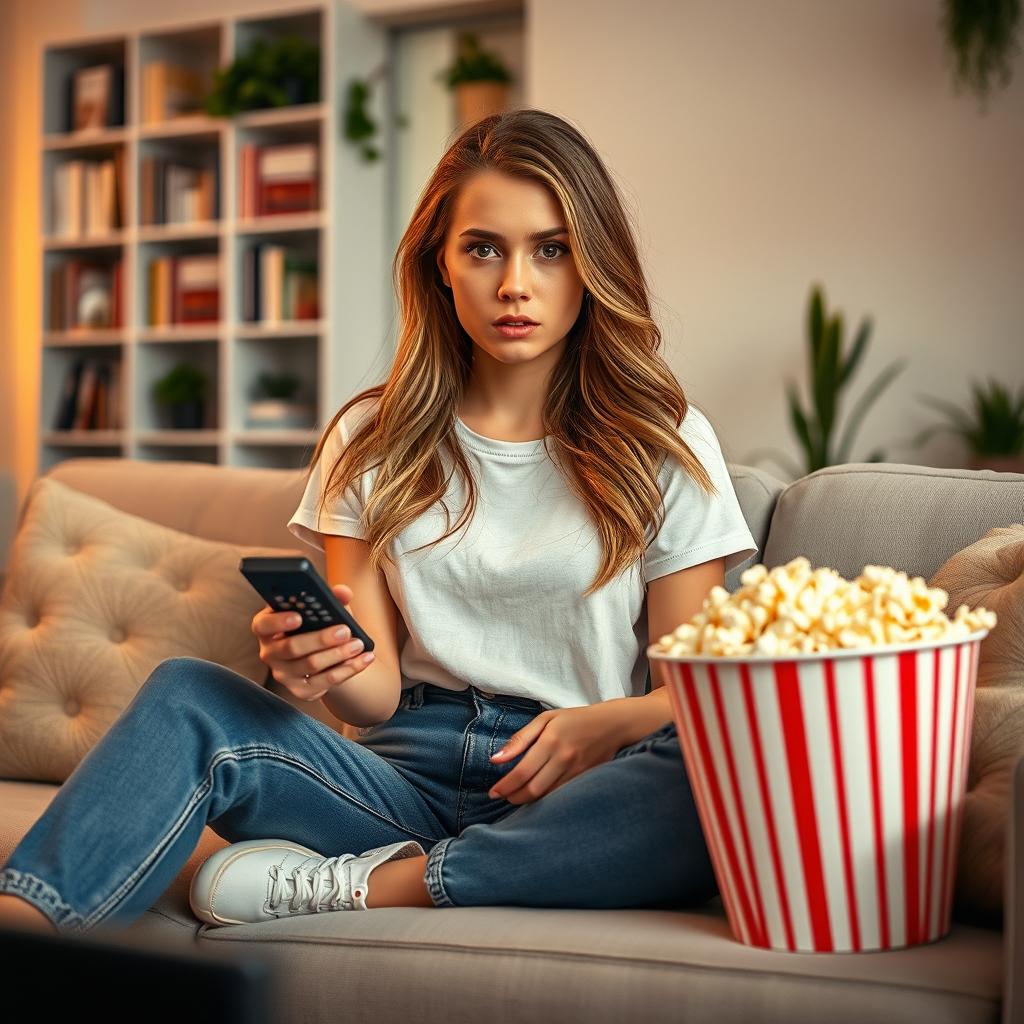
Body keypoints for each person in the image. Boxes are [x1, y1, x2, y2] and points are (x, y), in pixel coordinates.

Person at [0, 108, 758, 934]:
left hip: (581, 783)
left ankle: (369, 888)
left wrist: (602, 724)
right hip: (398, 782)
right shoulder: (371, 439)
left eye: (551, 248)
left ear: (591, 263)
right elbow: (374, 696)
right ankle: (25, 934)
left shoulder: (662, 440)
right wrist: (313, 665)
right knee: (190, 694)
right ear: (440, 265)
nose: (515, 283)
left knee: (731, 765)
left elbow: (697, 689)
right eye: (482, 249)